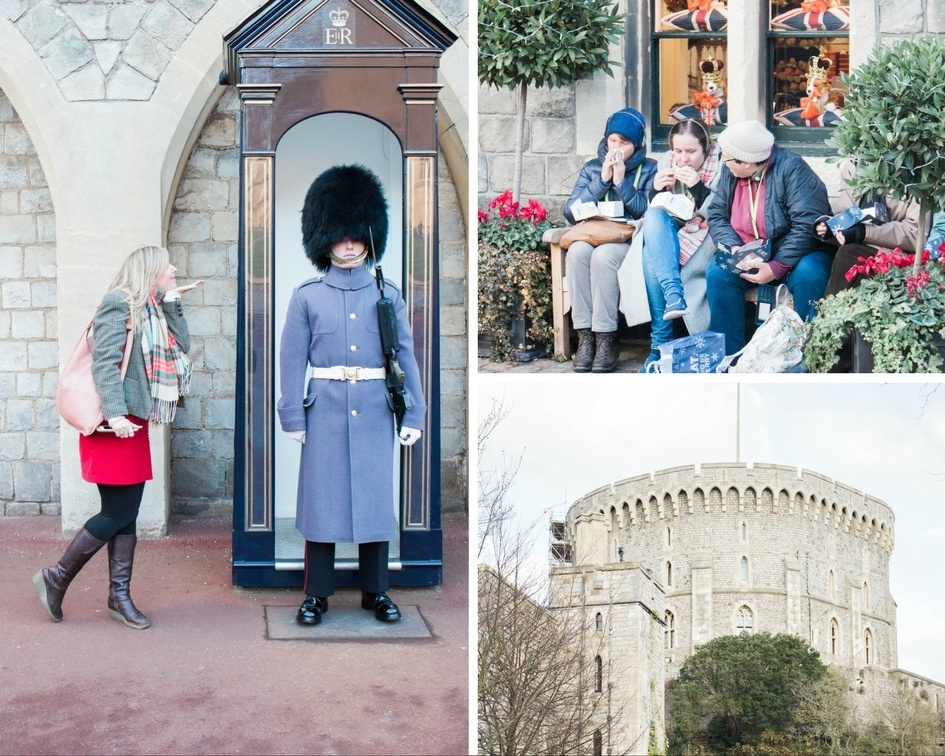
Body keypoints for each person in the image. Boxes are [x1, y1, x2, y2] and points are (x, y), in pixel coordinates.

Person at [278, 164, 426, 627]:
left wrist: (414, 413)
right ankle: (316, 594)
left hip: (374, 410)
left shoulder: (388, 294)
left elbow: (405, 355)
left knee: (374, 503)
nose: (348, 243)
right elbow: (291, 362)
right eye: (340, 235)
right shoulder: (307, 296)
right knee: (321, 504)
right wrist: (294, 419)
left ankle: (375, 591)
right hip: (324, 409)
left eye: (355, 235)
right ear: (325, 236)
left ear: (367, 235)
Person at [33, 246, 201, 629]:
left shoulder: (152, 308)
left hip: (132, 423)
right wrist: (114, 413)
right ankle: (56, 578)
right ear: (150, 270)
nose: (174, 268)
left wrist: (172, 299)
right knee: (117, 512)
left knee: (127, 513)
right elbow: (104, 363)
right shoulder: (117, 304)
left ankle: (118, 595)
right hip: (113, 424)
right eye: (167, 265)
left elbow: (183, 345)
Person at [705, 119, 834, 354]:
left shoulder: (793, 169)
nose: (723, 161)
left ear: (749, 161)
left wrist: (776, 266)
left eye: (728, 157)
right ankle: (729, 357)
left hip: (798, 253)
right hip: (749, 251)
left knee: (810, 274)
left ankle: (808, 355)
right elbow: (716, 214)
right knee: (718, 274)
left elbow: (808, 224)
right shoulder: (730, 171)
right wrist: (734, 249)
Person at [563, 107, 657, 372]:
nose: (616, 147)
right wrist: (601, 182)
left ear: (637, 145)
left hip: (628, 241)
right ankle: (585, 336)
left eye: (624, 143)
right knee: (578, 252)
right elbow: (570, 212)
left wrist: (620, 182)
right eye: (612, 140)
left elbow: (649, 212)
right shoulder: (592, 168)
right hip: (591, 235)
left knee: (603, 257)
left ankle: (606, 337)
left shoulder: (650, 169)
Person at [639, 118, 722, 370]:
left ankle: (659, 346)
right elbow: (653, 208)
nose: (683, 158)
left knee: (650, 255)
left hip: (706, 231)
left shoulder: (720, 165)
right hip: (673, 225)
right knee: (654, 218)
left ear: (705, 148)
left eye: (691, 151)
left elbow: (718, 211)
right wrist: (655, 190)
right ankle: (674, 293)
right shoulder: (666, 161)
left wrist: (697, 186)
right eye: (678, 151)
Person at [819, 157, 923, 297]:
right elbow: (847, 214)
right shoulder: (853, 164)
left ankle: (827, 313)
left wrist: (864, 232)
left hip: (899, 254)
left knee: (850, 253)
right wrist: (829, 226)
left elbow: (914, 234)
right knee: (821, 245)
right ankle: (829, 313)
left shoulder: (917, 170)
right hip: (857, 243)